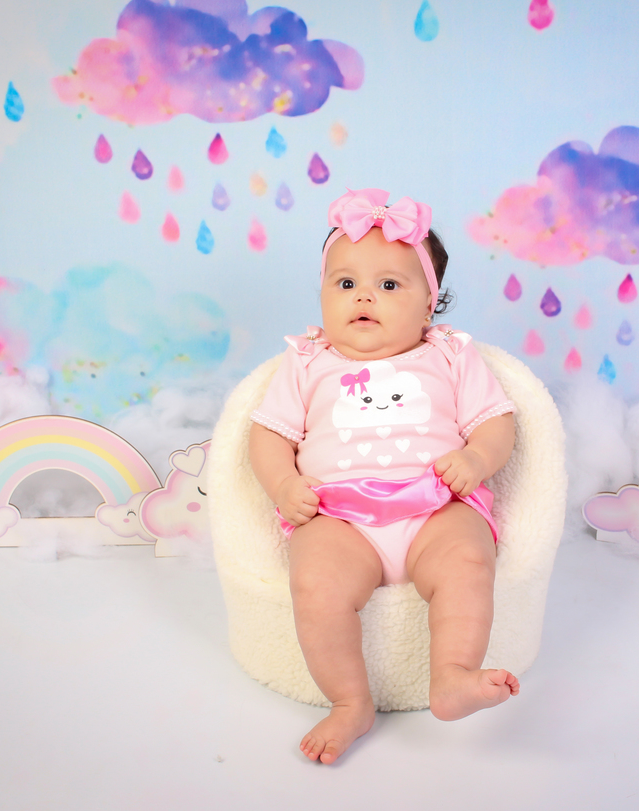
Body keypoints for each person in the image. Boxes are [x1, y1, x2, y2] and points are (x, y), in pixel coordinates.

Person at [247, 188, 518, 765]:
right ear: (323, 294)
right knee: (315, 584)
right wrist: (283, 486)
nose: (364, 296)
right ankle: (350, 701)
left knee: (469, 562)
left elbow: (497, 422)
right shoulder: (307, 361)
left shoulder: (450, 355)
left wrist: (475, 460)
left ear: (429, 306)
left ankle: (452, 675)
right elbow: (268, 435)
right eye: (345, 283)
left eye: (390, 285)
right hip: (338, 517)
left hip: (435, 506)